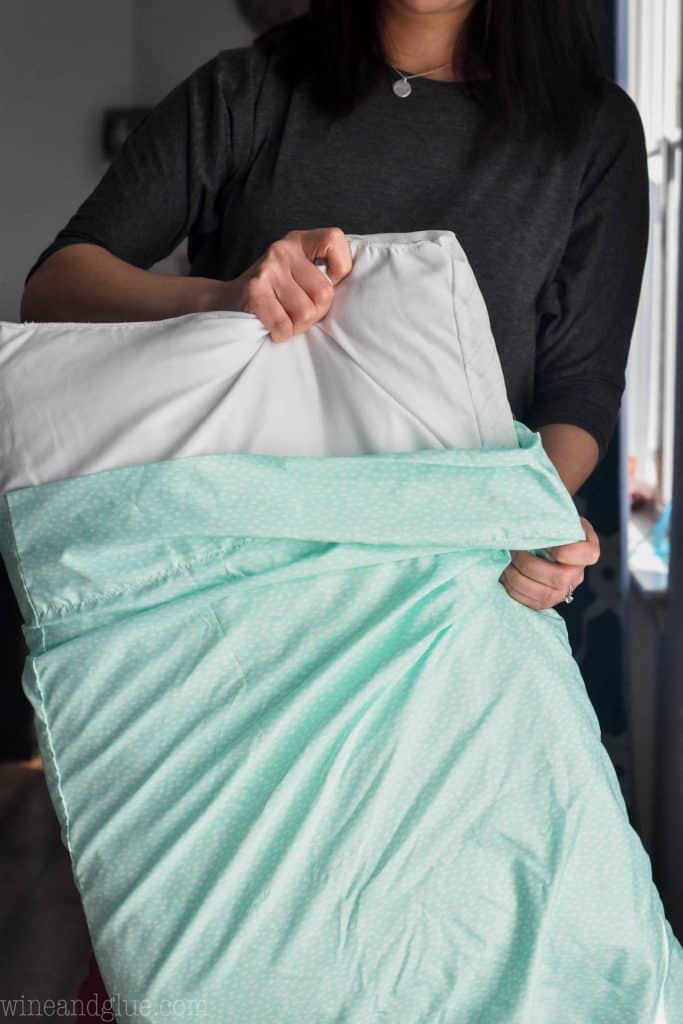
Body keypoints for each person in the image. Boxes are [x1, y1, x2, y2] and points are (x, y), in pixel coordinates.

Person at [19, 1, 649, 1015]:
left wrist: (529, 514)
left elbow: (575, 397)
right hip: (233, 642)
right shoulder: (249, 92)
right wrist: (225, 297)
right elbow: (57, 285)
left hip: (461, 626)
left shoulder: (588, 129)